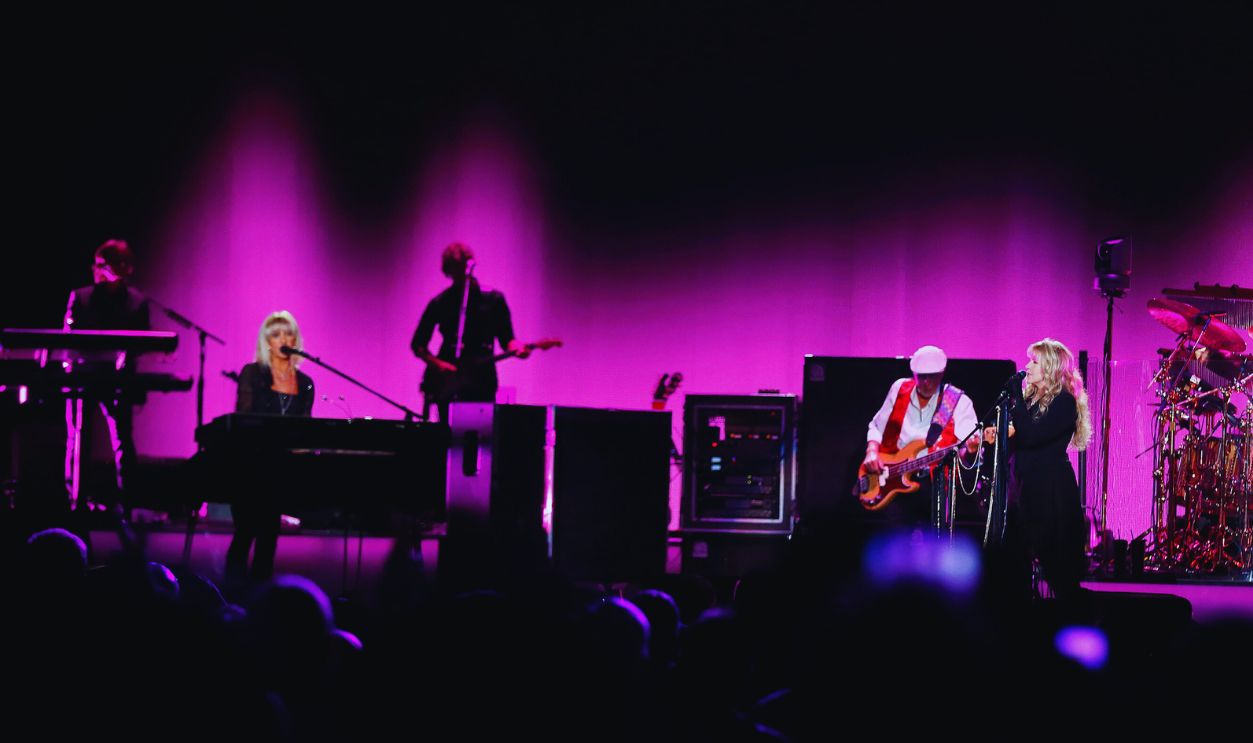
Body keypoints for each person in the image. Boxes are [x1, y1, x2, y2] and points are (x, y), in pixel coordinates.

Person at [984, 338, 1092, 599]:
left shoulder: (1065, 402)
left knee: (1058, 572)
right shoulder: (1030, 403)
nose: (1027, 367)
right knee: (1013, 565)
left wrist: (1016, 397)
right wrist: (998, 436)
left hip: (1051, 494)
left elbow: (1032, 436)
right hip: (1023, 490)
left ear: (1051, 368)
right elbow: (1022, 442)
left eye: (1034, 362)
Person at [225, 311, 315, 585]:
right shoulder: (252, 373)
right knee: (244, 534)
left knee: (268, 538)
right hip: (250, 465)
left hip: (281, 468)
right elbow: (244, 418)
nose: (283, 339)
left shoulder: (306, 382)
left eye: (288, 333)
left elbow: (305, 428)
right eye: (276, 334)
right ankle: (233, 595)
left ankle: (260, 599)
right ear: (266, 341)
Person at [63, 239, 151, 507]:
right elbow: (67, 340)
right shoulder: (81, 297)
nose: (99, 271)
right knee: (78, 437)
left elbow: (146, 341)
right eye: (98, 265)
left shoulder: (137, 302)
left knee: (122, 440)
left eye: (106, 265)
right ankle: (76, 500)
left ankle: (127, 504)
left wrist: (126, 357)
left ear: (124, 268)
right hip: (83, 377)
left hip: (118, 381)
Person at [411, 242, 529, 420]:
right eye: (454, 271)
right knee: (447, 432)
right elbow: (418, 344)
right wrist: (438, 364)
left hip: (481, 376)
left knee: (479, 431)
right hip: (448, 377)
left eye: (461, 268)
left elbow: (507, 338)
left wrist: (517, 347)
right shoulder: (441, 302)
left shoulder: (493, 300)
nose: (459, 275)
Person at [863, 345, 980, 522]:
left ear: (941, 374)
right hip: (891, 478)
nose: (925, 382)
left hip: (934, 487)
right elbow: (877, 426)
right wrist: (871, 451)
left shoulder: (958, 402)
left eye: (931, 377)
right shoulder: (899, 388)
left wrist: (970, 450)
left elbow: (966, 454)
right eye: (921, 376)